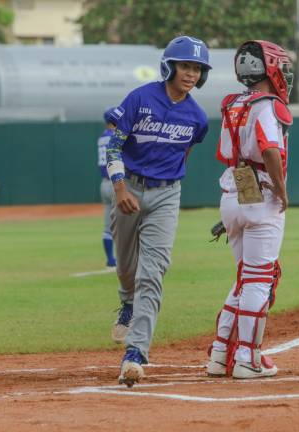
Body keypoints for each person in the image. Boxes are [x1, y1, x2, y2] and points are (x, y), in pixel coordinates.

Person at [106, 35, 211, 387]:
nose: (191, 74)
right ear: (170, 66)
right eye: (185, 66)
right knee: (126, 266)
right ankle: (127, 302)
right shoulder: (140, 98)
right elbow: (114, 146)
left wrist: (167, 183)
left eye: (197, 68)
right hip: (129, 187)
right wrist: (120, 187)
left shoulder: (197, 117)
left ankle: (135, 354)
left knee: (153, 273)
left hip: (167, 195)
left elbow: (185, 154)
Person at [206, 40, 292, 379]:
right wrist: (282, 192)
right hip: (262, 193)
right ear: (269, 69)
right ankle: (247, 359)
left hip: (234, 188)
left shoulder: (233, 102)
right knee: (260, 279)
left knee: (244, 278)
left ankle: (218, 354)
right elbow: (270, 149)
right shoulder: (269, 105)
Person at [98, 107, 120, 268]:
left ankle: (110, 260)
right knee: (128, 223)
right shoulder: (116, 137)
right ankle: (125, 258)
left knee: (108, 226)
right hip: (116, 183)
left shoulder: (101, 138)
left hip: (104, 184)